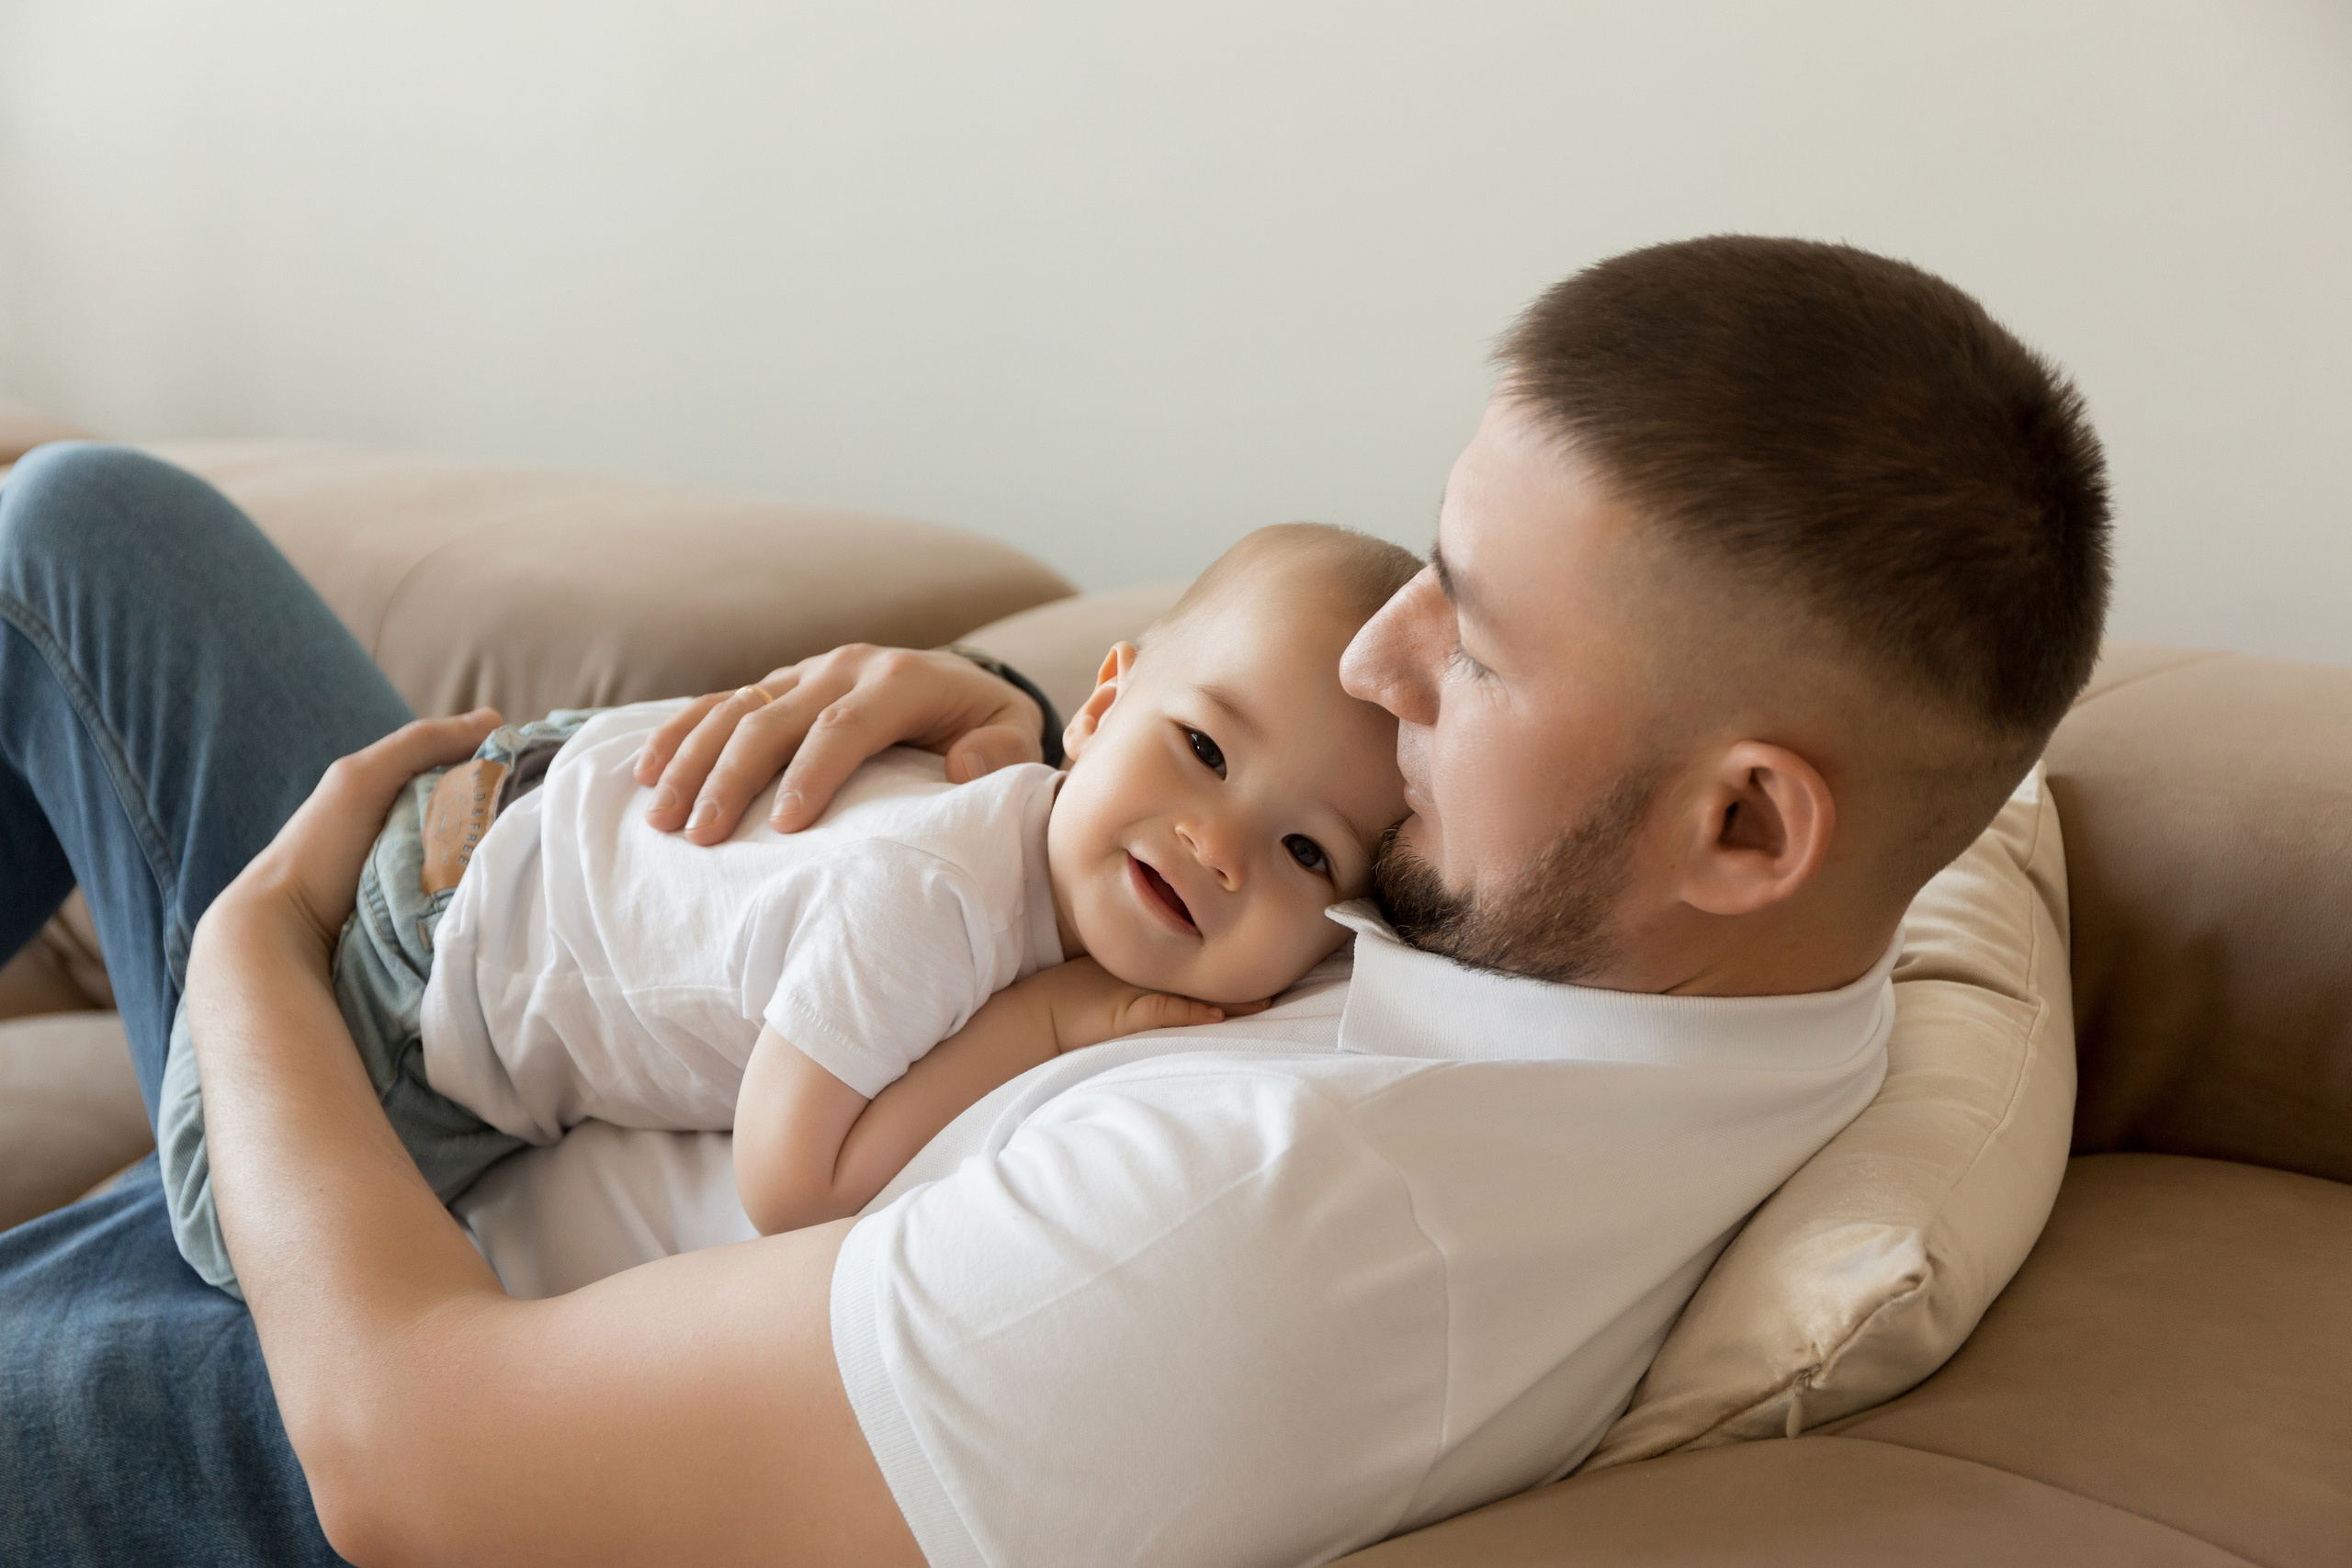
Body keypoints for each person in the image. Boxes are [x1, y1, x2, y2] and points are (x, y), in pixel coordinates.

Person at [0, 235, 2110, 1567]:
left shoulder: (1279, 1234)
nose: (1375, 678)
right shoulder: (1703, 940)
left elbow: (411, 1459)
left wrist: (249, 967)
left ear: (1745, 827)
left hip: (347, 1342)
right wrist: (1024, 760)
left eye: (1465, 644)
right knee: (77, 532)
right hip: (531, 1033)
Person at [154, 525, 1416, 1297]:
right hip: (441, 946)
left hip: (540, 819)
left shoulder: (1025, 856)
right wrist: (1050, 1024)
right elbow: (792, 1180)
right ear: (1096, 708)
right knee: (230, 1236)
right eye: (1201, 746)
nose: (1222, 844)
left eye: (1308, 849)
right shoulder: (937, 895)